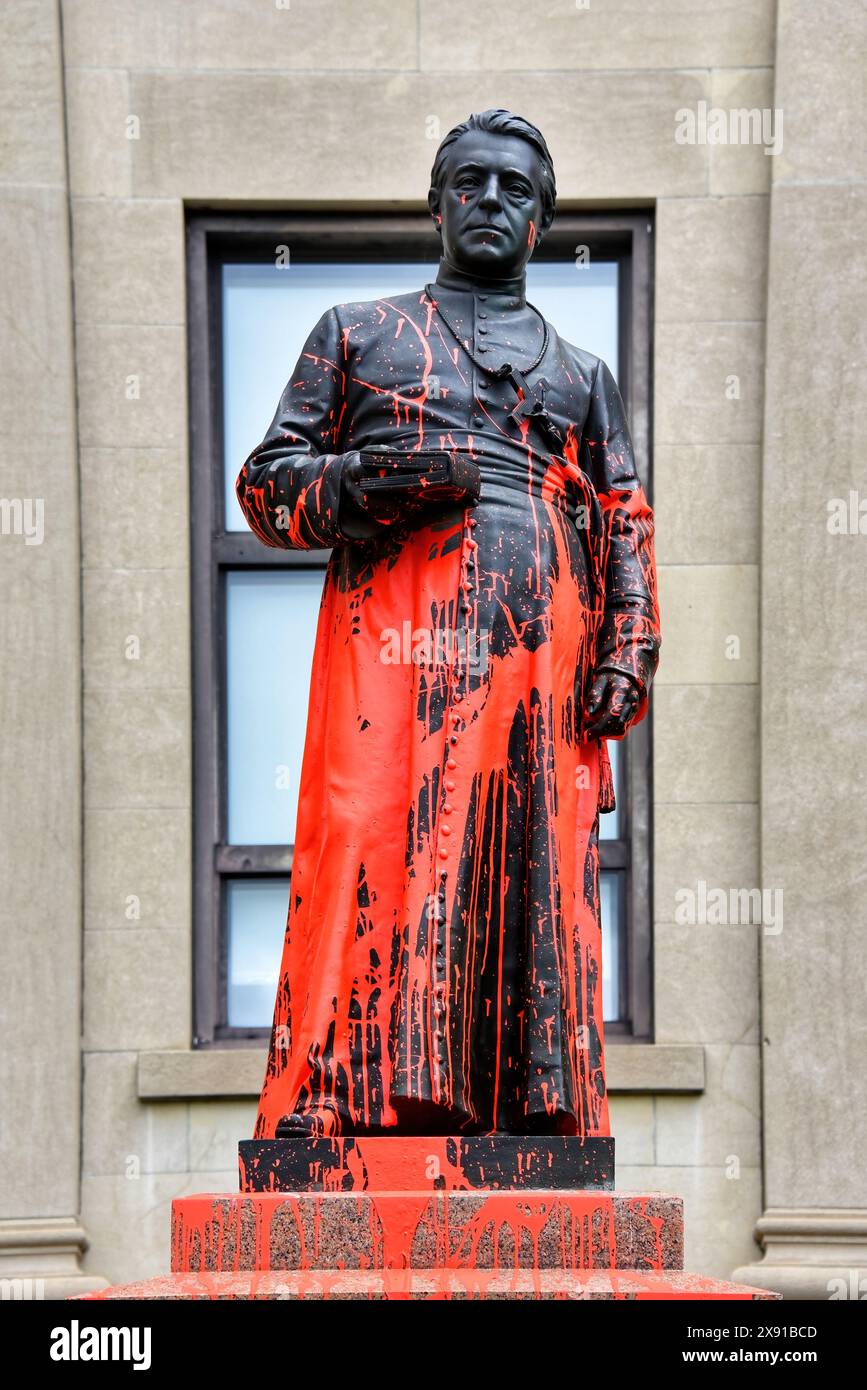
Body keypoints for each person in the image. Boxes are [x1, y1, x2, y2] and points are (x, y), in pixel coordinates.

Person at [236, 109, 661, 1139]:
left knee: (530, 869)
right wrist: (368, 480)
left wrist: (627, 646)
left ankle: (531, 1105)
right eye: (470, 182)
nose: (491, 202)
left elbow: (625, 521)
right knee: (372, 839)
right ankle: (337, 1095)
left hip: (540, 659)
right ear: (438, 204)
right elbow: (265, 485)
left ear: (542, 222)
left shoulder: (581, 377)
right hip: (391, 646)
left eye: (516, 190)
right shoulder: (356, 330)